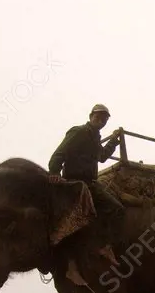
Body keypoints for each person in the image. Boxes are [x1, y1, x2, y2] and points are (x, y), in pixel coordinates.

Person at [47, 103, 125, 272]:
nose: (101, 120)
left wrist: (113, 141)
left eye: (104, 118)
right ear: (91, 116)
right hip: (74, 182)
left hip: (91, 183)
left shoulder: (95, 137)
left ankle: (104, 245)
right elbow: (60, 152)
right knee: (94, 214)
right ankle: (76, 255)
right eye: (98, 116)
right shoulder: (79, 132)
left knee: (115, 209)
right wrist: (54, 171)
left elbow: (102, 157)